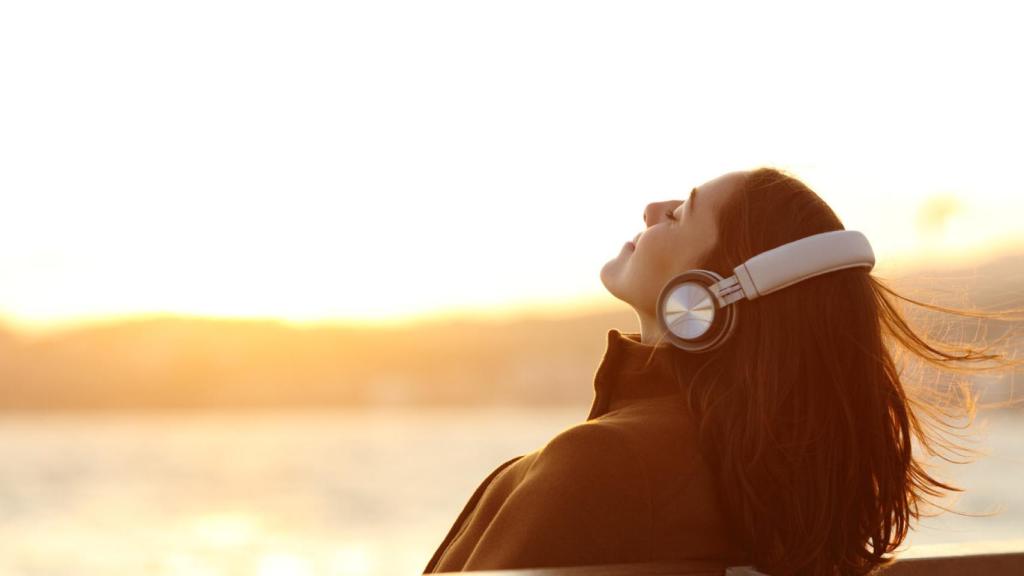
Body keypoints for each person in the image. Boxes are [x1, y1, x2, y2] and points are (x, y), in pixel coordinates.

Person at [422, 167, 1020, 575]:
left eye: (680, 214)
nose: (652, 209)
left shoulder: (605, 463)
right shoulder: (762, 478)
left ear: (706, 298)